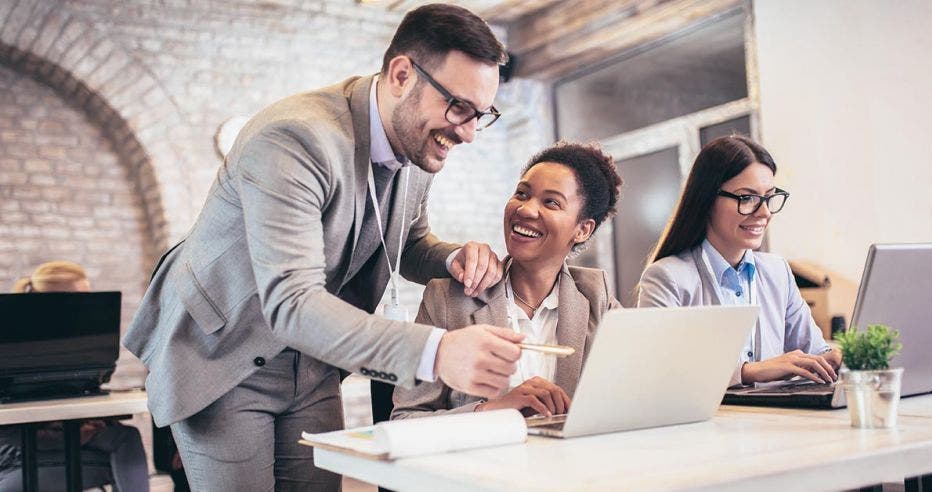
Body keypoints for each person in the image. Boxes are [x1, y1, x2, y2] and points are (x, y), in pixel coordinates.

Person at [122, 4, 528, 490]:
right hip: (223, 352)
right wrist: (438, 353)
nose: (466, 133)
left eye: (480, 115)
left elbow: (408, 239)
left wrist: (449, 256)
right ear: (401, 74)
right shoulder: (294, 137)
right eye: (458, 107)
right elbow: (291, 303)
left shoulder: (418, 145)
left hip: (311, 360)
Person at [391, 141, 623, 419]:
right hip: (483, 462)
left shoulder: (597, 297)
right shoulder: (448, 299)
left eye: (551, 202)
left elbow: (633, 397)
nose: (525, 210)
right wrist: (493, 410)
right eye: (522, 194)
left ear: (583, 229)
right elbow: (404, 420)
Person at [637, 135, 842, 387]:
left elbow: (814, 351)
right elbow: (655, 372)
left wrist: (833, 358)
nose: (764, 212)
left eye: (769, 197)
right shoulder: (667, 278)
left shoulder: (777, 271)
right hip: (709, 423)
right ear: (707, 200)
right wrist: (748, 372)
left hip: (777, 420)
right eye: (747, 198)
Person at [0, 261, 149, 492]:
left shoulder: (71, 348)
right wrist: (73, 435)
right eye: (81, 299)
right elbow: (10, 434)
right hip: (16, 458)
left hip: (61, 440)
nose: (88, 307)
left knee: (125, 437)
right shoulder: (13, 345)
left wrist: (85, 423)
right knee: (124, 454)